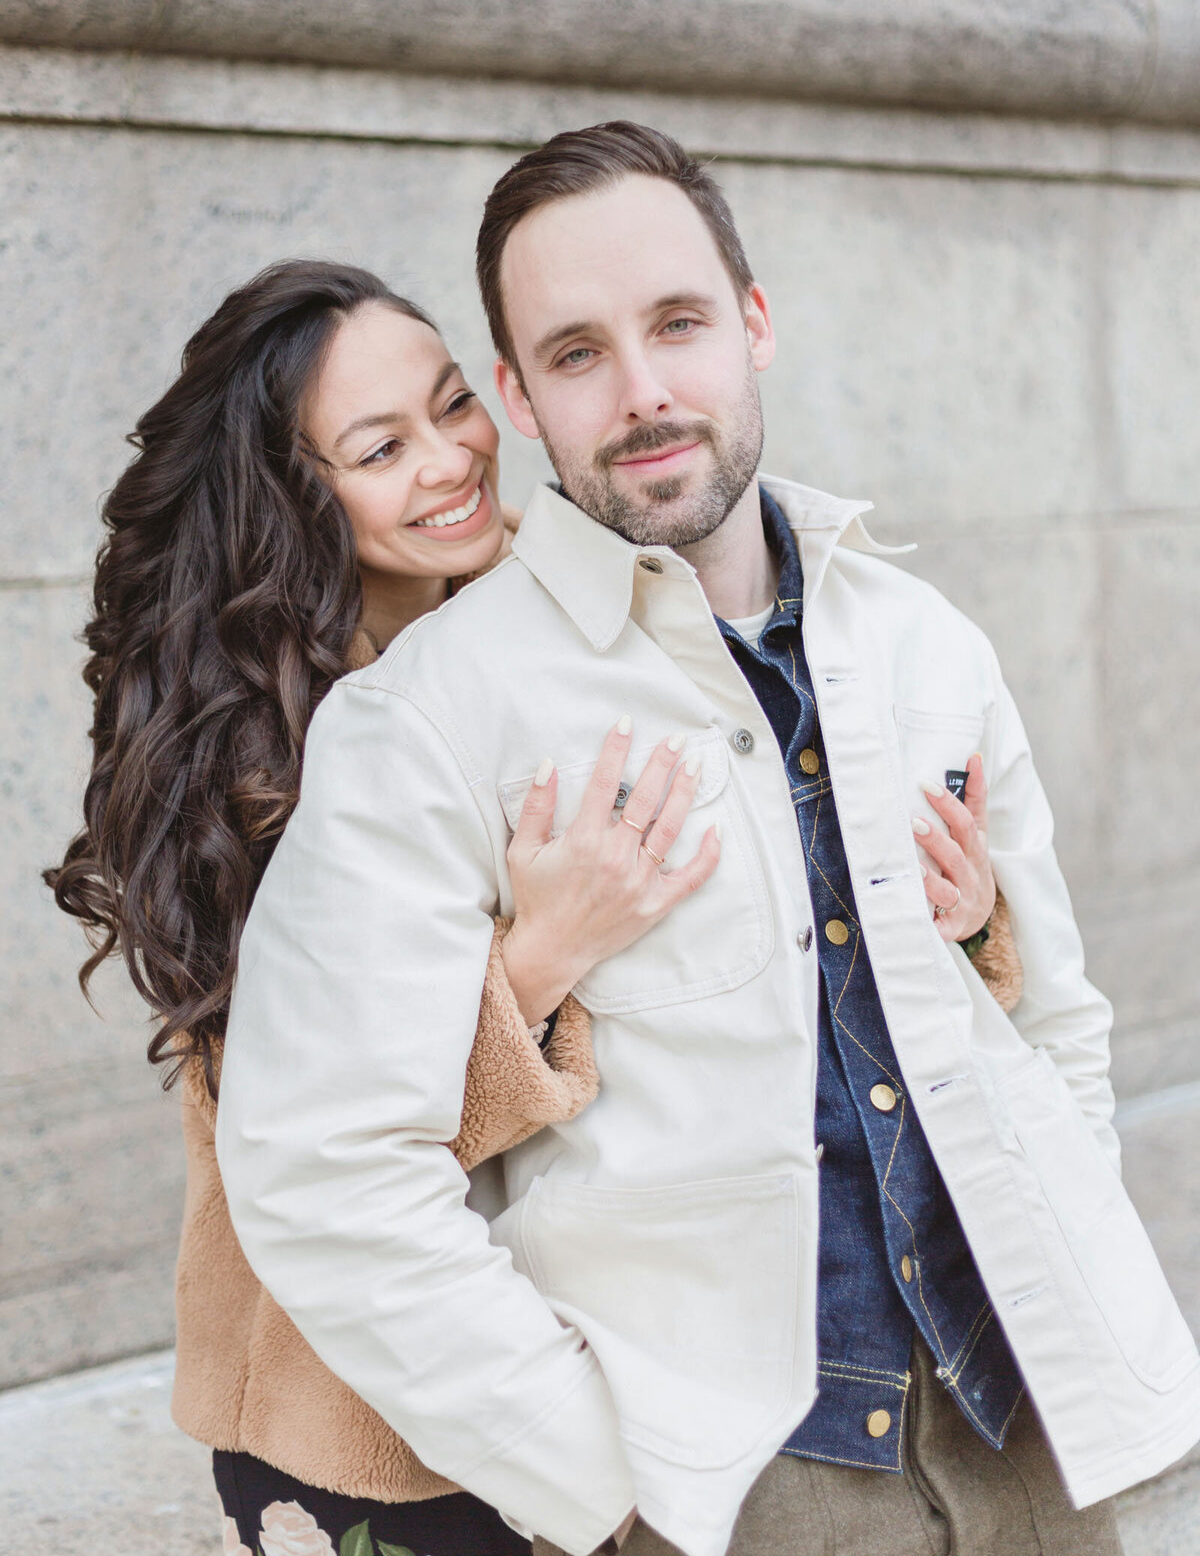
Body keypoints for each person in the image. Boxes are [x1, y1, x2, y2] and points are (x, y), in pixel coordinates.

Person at [216, 123, 1199, 1556]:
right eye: (575, 354)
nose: (643, 391)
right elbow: (324, 1170)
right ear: (521, 399)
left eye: (677, 323)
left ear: (753, 322)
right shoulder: (427, 717)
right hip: (737, 1487)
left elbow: (1052, 1017)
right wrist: (598, 1481)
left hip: (1029, 1438)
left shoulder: (927, 645)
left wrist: (1072, 1258)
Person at [46, 259, 727, 1556]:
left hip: (589, 1337)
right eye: (379, 447)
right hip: (360, 1424)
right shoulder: (254, 762)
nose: (450, 458)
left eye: (454, 403)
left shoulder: (559, 610)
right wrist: (539, 958)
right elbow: (323, 1144)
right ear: (291, 495)